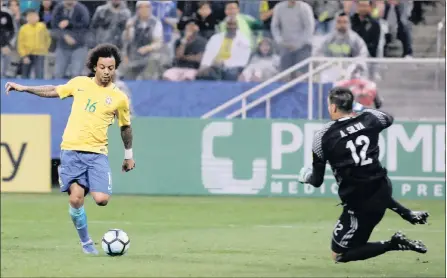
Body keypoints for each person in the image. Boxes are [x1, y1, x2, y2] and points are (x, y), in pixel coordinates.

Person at [4, 43, 135, 255]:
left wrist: (129, 155)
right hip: (72, 150)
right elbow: (53, 90)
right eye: (102, 67)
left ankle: (87, 194)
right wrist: (25, 88)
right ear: (95, 67)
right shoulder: (80, 84)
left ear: (115, 68)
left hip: (97, 154)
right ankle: (86, 243)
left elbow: (126, 127)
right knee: (75, 198)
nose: (106, 72)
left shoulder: (120, 98)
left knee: (102, 199)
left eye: (111, 68)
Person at [297, 87, 429, 263]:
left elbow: (317, 180)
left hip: (358, 203)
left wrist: (305, 177)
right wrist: (359, 108)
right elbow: (388, 117)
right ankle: (407, 213)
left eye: (329, 105)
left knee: (339, 255)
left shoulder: (323, 136)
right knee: (369, 182)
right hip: (381, 189)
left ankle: (394, 243)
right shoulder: (369, 119)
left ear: (333, 108)